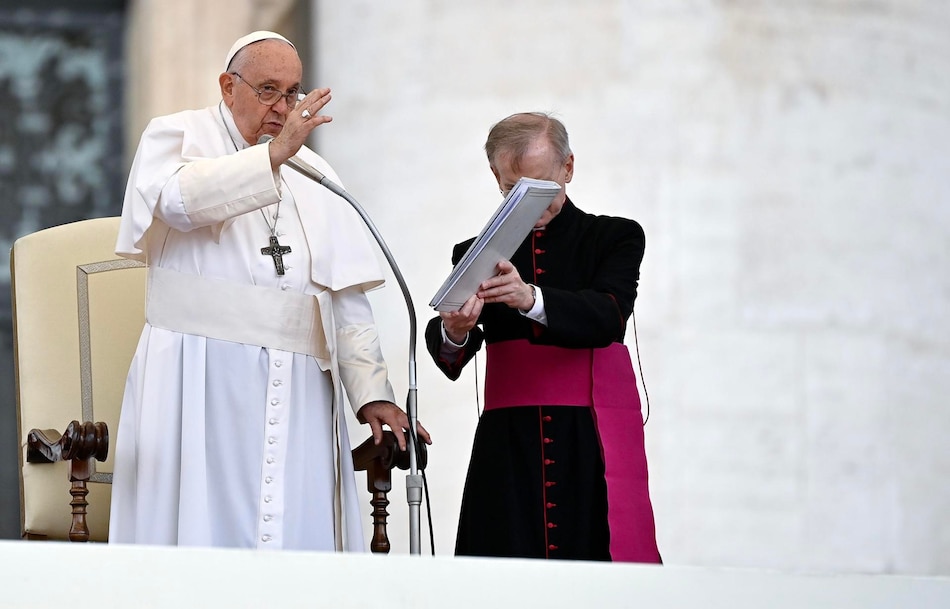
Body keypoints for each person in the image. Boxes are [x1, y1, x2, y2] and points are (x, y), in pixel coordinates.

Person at [110, 31, 429, 551]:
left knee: (292, 540)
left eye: (293, 93)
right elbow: (176, 202)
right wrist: (272, 158)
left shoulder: (317, 172)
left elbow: (346, 298)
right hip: (198, 380)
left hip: (300, 393)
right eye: (268, 91)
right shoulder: (176, 136)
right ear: (227, 86)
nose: (283, 108)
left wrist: (373, 393)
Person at [425, 112, 660, 562]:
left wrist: (529, 297)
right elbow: (450, 356)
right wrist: (454, 331)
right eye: (515, 191)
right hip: (508, 447)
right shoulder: (474, 253)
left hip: (590, 439)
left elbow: (609, 315)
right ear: (496, 177)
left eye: (540, 190)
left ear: (567, 168)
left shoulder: (614, 237)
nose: (530, 205)